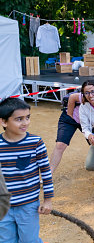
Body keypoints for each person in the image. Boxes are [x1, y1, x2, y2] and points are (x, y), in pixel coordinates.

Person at [0, 98, 53, 243]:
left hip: (28, 205)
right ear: (4, 122)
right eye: (19, 119)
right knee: (6, 240)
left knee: (29, 240)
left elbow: (46, 173)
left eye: (27, 117)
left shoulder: (35, 143)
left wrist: (47, 200)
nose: (25, 123)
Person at [50, 91, 83, 173]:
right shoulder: (84, 96)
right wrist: (70, 115)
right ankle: (48, 175)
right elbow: (72, 97)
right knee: (60, 145)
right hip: (69, 118)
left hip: (88, 122)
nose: (91, 95)